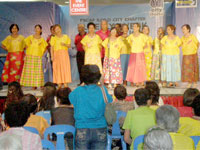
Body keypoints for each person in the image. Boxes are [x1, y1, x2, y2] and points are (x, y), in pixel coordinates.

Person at [69, 65, 113, 150]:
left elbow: (71, 99)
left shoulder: (78, 91)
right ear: (98, 77)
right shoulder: (103, 90)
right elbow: (109, 101)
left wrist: (83, 84)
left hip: (82, 128)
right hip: (100, 127)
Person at [20, 24, 47, 89]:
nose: (36, 29)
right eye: (36, 28)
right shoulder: (30, 37)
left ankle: (38, 85)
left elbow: (45, 47)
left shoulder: (42, 39)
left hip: (37, 57)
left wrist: (41, 53)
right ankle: (31, 85)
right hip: (30, 56)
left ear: (41, 30)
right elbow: (24, 45)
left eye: (38, 28)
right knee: (29, 71)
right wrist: (27, 46)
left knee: (38, 71)